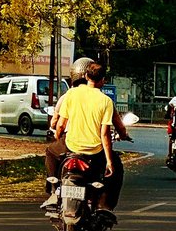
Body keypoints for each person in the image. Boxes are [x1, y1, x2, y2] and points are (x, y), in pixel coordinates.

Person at [41, 60, 123, 218]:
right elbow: (104, 134)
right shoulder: (106, 101)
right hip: (95, 150)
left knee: (50, 152)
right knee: (116, 169)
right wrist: (110, 162)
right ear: (103, 80)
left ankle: (53, 189)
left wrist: (58, 138)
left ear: (86, 76)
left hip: (71, 145)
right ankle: (104, 205)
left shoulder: (71, 94)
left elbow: (60, 124)